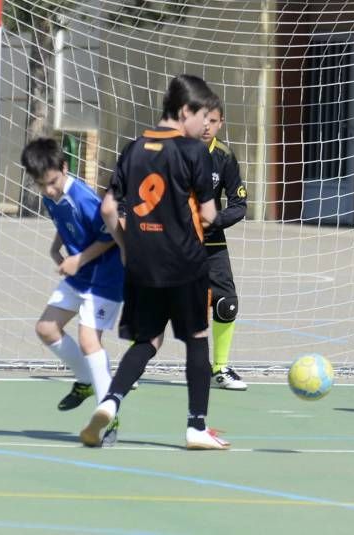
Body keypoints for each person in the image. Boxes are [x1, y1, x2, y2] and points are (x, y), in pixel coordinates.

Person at [79, 74, 229, 450]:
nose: (206, 126)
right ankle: (197, 426)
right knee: (196, 340)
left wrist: (127, 245)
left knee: (147, 341)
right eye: (202, 118)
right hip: (185, 262)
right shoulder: (193, 151)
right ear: (184, 111)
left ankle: (110, 403)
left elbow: (110, 207)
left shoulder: (133, 148)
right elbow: (209, 214)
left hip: (142, 263)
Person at [21, 138, 122, 433]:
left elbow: (108, 237)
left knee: (89, 340)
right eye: (42, 185)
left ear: (65, 167)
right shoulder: (49, 197)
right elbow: (65, 225)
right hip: (80, 274)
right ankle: (87, 380)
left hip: (105, 274)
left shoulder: (85, 198)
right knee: (46, 328)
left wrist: (77, 260)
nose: (49, 189)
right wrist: (57, 247)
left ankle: (109, 409)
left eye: (52, 182)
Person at [198, 97, 248, 391]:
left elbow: (239, 204)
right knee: (156, 303)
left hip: (212, 242)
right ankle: (134, 365)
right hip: (177, 243)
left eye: (213, 121)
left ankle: (219, 369)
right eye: (202, 119)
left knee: (226, 303)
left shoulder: (225, 157)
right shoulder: (173, 153)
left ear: (221, 124)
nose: (207, 126)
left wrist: (213, 220)